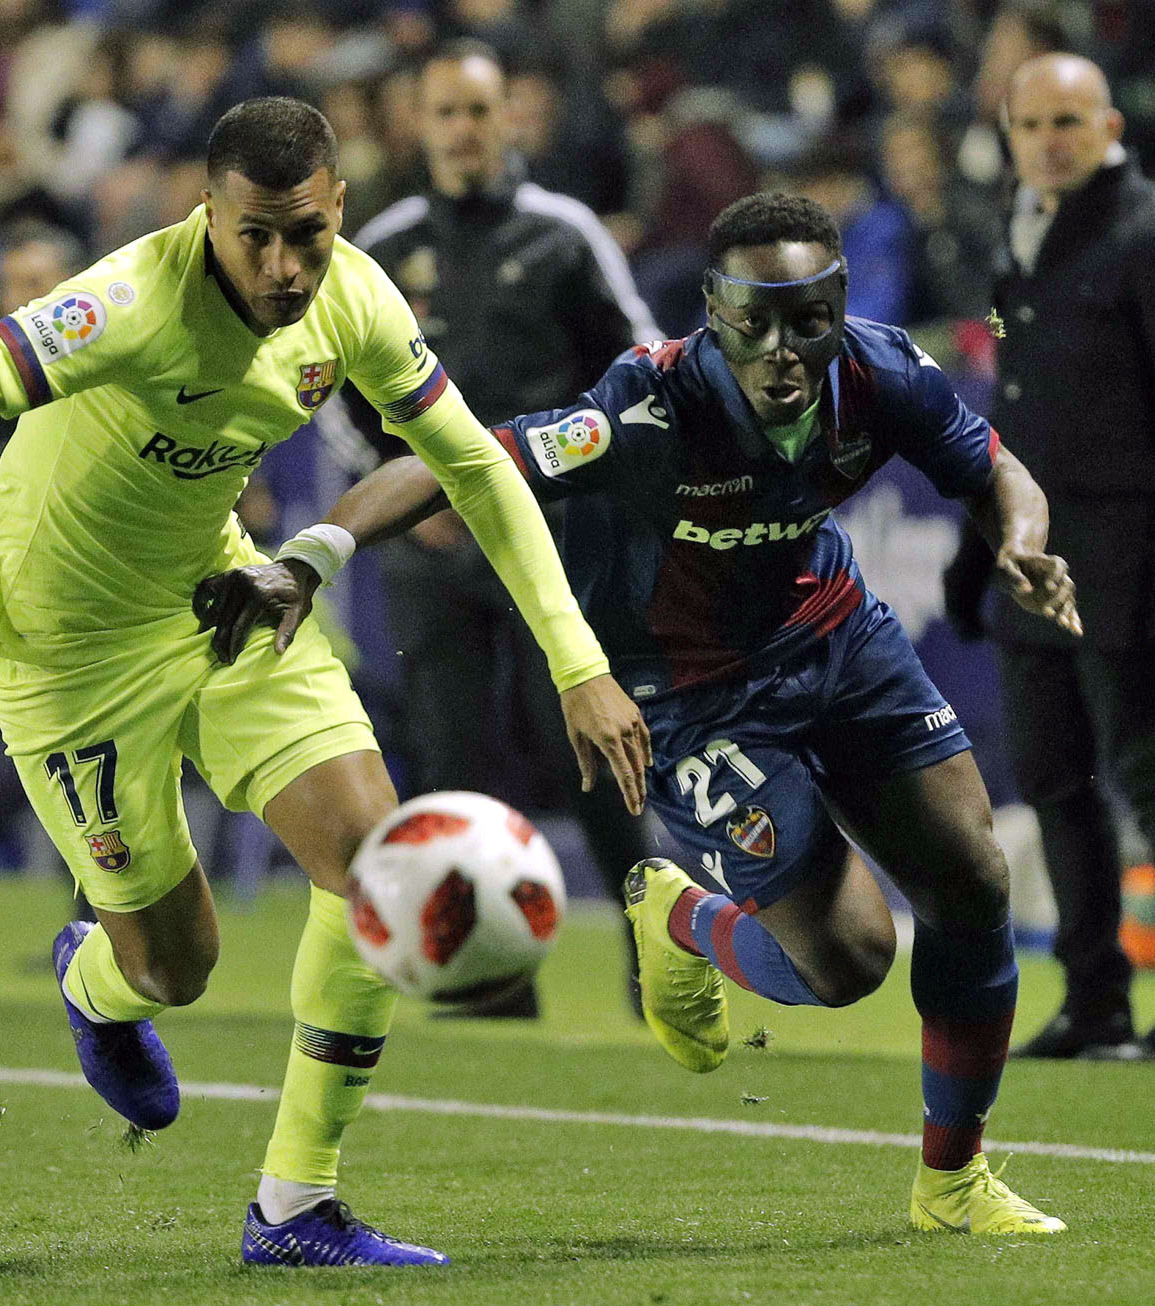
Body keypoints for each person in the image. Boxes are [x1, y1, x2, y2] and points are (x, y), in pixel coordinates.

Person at [0, 96, 648, 1269]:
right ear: (207, 212)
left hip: (216, 597)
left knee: (374, 859)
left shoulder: (356, 293)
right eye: (253, 234)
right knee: (175, 966)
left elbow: (473, 464)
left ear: (337, 206)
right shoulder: (128, 305)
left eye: (304, 232)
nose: (282, 264)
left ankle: (295, 1207)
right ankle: (100, 984)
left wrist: (580, 665)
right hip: (62, 645)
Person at [202, 191, 1081, 1235]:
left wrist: (1021, 539)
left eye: (805, 317)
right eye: (751, 319)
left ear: (837, 305)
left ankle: (951, 1181)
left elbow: (991, 468)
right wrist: (312, 555)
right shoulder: (643, 408)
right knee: (846, 962)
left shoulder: (881, 371)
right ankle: (681, 917)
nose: (781, 349)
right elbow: (459, 457)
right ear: (712, 312)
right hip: (689, 695)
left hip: (836, 638)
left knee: (973, 876)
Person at [347, 39, 660, 1017]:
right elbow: (339, 389)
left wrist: (567, 483)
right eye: (444, 112)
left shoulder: (562, 233)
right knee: (446, 755)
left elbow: (639, 367)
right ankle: (484, 976)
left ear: (508, 119)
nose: (462, 131)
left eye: (478, 112)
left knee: (586, 744)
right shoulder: (386, 247)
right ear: (420, 123)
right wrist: (397, 492)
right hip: (430, 544)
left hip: (549, 536)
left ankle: (654, 948)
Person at [953, 53, 1155, 1063]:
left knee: (1153, 773)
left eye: (1067, 121)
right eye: (1030, 124)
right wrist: (972, 535)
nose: (1048, 140)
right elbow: (1010, 407)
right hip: (1034, 553)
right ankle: (1094, 1002)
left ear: (1109, 123)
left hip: (1127, 550)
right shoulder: (1018, 229)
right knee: (1053, 780)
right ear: (1008, 131)